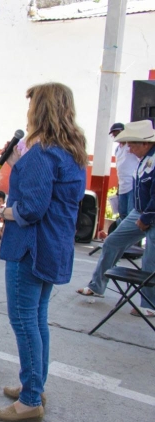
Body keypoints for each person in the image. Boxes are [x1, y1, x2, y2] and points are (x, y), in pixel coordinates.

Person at [0, 82, 87, 422]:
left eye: (31, 105)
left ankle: (30, 400)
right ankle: (35, 385)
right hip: (53, 245)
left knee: (24, 321)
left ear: (40, 109)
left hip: (31, 246)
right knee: (37, 318)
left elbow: (30, 209)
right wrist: (18, 162)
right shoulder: (70, 150)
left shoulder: (43, 152)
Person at [77, 120, 155, 317]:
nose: (128, 148)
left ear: (145, 143)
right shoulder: (144, 159)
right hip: (140, 211)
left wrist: (146, 218)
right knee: (112, 242)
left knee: (151, 259)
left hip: (149, 214)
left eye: (132, 144)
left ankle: (149, 303)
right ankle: (97, 286)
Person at [109, 122, 139, 221]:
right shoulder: (117, 149)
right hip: (122, 185)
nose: (115, 136)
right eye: (113, 134)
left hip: (132, 184)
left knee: (131, 213)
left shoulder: (130, 146)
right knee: (122, 213)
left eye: (116, 133)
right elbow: (120, 169)